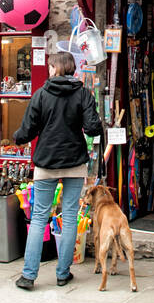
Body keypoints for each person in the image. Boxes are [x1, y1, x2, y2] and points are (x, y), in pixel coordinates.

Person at [11, 50, 101, 290]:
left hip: (47, 161)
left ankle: (28, 276)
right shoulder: (83, 94)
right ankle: (63, 274)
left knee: (39, 217)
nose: (49, 69)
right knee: (70, 217)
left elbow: (28, 130)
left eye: (51, 66)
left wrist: (16, 137)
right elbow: (93, 128)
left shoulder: (41, 94)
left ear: (56, 68)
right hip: (74, 162)